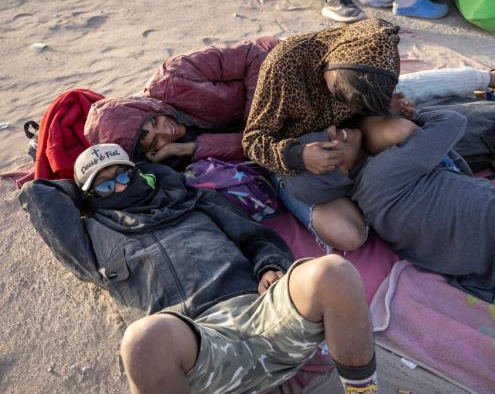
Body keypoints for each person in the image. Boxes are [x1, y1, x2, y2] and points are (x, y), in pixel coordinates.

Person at [19, 144, 380, 394]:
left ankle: (362, 388)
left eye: (123, 176)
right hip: (200, 352)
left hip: (262, 315)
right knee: (143, 340)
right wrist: (79, 181)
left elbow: (255, 237)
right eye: (104, 185)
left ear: (141, 175)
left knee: (333, 272)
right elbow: (40, 196)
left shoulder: (194, 200)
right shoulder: (92, 236)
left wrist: (271, 266)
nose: (118, 187)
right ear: (88, 199)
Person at [243, 16, 495, 252]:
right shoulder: (286, 64)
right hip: (294, 157)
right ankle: (487, 95)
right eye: (339, 90)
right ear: (333, 64)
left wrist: (385, 106)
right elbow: (253, 140)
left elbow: (369, 105)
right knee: (351, 236)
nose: (337, 97)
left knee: (406, 120)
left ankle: (494, 82)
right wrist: (298, 155)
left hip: (352, 135)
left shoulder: (372, 54)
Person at [282, 111, 495, 302]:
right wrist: (378, 122)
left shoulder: (380, 216)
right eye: (328, 140)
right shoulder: (386, 171)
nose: (336, 129)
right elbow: (452, 121)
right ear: (337, 173)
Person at [84, 36, 280, 166]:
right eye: (155, 142)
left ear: (148, 108)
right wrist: (184, 148)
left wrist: (254, 122)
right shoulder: (175, 153)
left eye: (154, 121)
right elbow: (252, 147)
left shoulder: (176, 74)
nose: (165, 132)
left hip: (283, 66)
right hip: (278, 123)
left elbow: (254, 55)